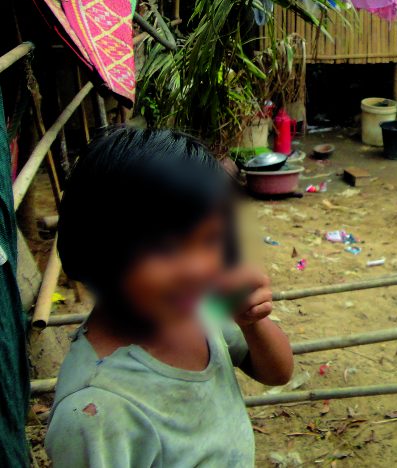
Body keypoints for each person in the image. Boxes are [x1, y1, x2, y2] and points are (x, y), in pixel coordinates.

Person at [45, 128, 293, 466]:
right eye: (165, 247)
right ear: (97, 250)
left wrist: (252, 324)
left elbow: (278, 373)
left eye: (210, 240)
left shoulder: (199, 307)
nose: (197, 269)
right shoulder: (95, 412)